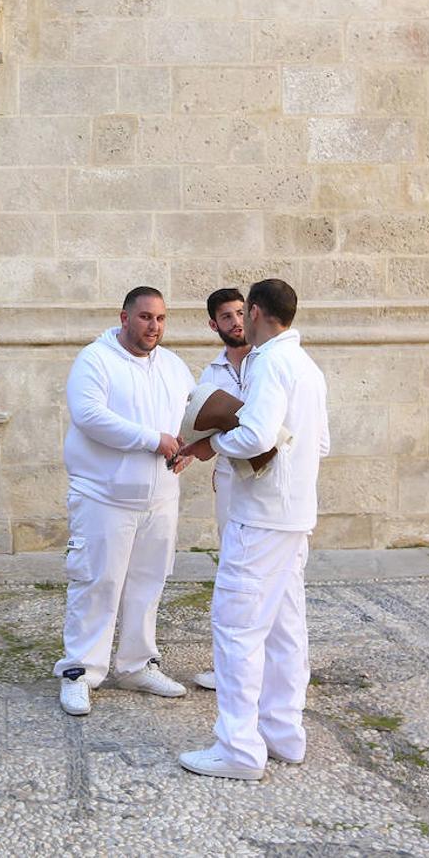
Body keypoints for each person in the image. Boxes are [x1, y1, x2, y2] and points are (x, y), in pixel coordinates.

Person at [177, 279, 329, 780]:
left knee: (237, 627)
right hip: (294, 516)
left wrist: (214, 442)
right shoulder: (307, 367)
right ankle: (284, 735)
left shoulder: (268, 361)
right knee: (286, 629)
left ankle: (239, 751)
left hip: (260, 517)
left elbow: (259, 434)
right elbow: (320, 445)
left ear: (259, 311)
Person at [55, 286, 196, 717]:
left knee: (148, 583)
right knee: (97, 583)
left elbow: (192, 415)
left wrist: (189, 447)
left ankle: (137, 664)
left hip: (160, 500)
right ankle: (80, 672)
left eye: (160, 318)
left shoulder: (173, 366)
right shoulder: (94, 360)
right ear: (124, 317)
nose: (154, 326)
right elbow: (90, 416)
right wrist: (153, 440)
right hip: (104, 497)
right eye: (145, 317)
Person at [191, 288, 252, 692]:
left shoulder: (268, 362)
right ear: (214, 325)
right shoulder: (211, 375)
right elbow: (201, 429)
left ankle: (260, 668)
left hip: (270, 479)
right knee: (231, 569)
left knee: (262, 572)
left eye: (241, 312)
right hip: (231, 478)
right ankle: (229, 667)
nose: (236, 322)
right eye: (226, 317)